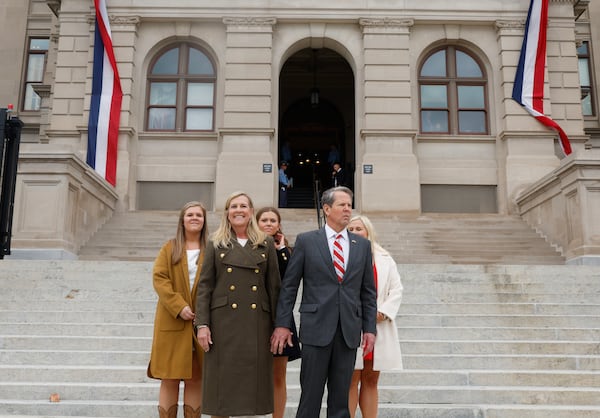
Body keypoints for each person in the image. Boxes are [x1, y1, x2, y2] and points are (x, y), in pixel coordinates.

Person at [271, 186, 377, 418]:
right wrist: (282, 325)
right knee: (310, 397)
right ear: (327, 209)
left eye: (350, 205)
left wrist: (369, 328)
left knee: (341, 400)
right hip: (315, 329)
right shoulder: (307, 241)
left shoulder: (362, 246)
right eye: (342, 205)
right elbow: (289, 287)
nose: (347, 209)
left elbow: (368, 292)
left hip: (348, 331)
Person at [195, 191, 281, 418]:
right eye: (234, 206)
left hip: (256, 324)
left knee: (253, 387)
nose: (238, 210)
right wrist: (202, 324)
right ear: (227, 212)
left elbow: (274, 288)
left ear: (251, 212)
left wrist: (279, 326)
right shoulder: (215, 242)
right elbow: (205, 287)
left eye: (243, 206)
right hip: (223, 324)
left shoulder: (266, 243)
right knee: (222, 386)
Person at [148, 201, 209, 418]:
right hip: (172, 322)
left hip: (200, 323)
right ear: (182, 220)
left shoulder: (211, 250)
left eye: (199, 215)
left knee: (195, 377)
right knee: (170, 377)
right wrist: (179, 305)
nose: (194, 218)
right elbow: (160, 279)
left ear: (204, 221)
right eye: (190, 214)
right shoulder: (170, 248)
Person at [347, 215, 403, 418]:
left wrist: (383, 312)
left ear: (368, 232)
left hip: (378, 325)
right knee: (350, 380)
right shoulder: (341, 256)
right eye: (350, 229)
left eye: (359, 228)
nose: (355, 232)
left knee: (371, 380)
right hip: (350, 325)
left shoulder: (385, 258)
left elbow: (396, 289)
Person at [256, 207, 302, 418]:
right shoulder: (248, 248)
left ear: (279, 225)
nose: (268, 223)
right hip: (253, 318)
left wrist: (281, 249)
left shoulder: (288, 252)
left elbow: (289, 282)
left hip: (280, 319)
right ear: (256, 224)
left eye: (273, 220)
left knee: (278, 376)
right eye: (264, 220)